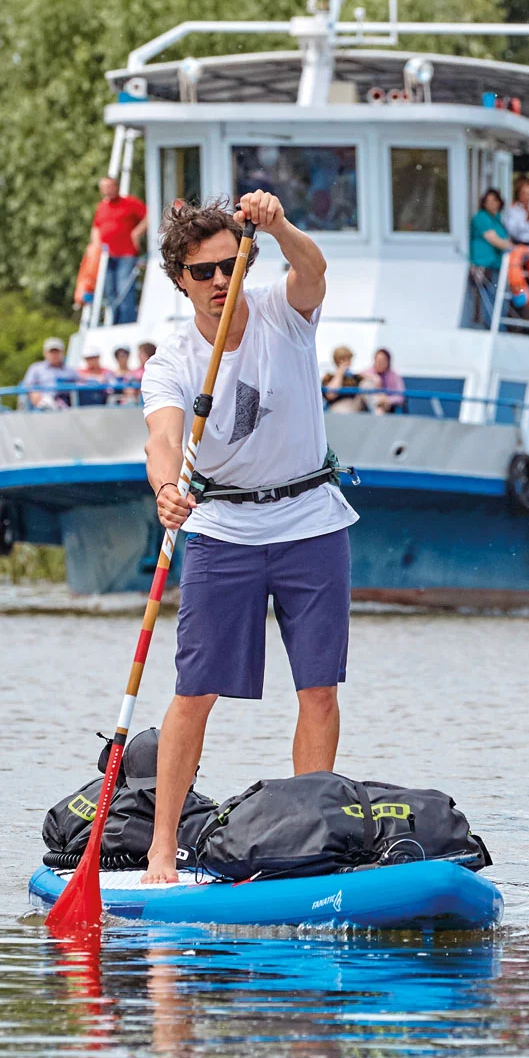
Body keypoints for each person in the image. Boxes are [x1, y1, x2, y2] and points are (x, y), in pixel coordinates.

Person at [139, 192, 356, 885]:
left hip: (310, 522)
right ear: (180, 279)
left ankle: (313, 839)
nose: (219, 283)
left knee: (318, 690)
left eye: (230, 267)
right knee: (194, 692)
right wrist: (167, 488)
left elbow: (315, 270)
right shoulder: (171, 359)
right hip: (220, 528)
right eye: (203, 273)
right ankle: (161, 849)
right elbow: (163, 436)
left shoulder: (281, 312)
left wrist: (281, 224)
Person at [89, 176, 147, 325]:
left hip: (126, 254)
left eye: (110, 186)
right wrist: (96, 245)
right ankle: (114, 323)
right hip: (107, 256)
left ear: (116, 187)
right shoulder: (101, 206)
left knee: (124, 291)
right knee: (110, 292)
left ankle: (127, 323)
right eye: (104, 187)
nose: (107, 190)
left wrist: (137, 233)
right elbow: (96, 227)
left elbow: (149, 215)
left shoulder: (129, 203)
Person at [465, 187, 509, 328]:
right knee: (489, 301)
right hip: (484, 265)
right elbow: (495, 240)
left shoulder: (496, 219)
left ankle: (497, 327)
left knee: (497, 299)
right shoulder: (481, 217)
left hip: (496, 265)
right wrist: (516, 247)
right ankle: (491, 329)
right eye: (488, 201)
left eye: (494, 200)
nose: (491, 204)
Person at [320, 344, 376, 412]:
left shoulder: (356, 377)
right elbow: (331, 395)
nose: (348, 362)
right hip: (339, 406)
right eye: (343, 360)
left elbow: (374, 383)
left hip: (356, 404)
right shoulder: (328, 377)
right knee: (342, 410)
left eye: (349, 359)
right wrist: (339, 373)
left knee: (367, 384)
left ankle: (377, 410)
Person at [22, 337, 69, 409]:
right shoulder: (36, 368)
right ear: (45, 353)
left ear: (63, 353)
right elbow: (28, 386)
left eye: (57, 352)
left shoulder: (70, 370)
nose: (54, 355)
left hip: (66, 404)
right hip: (43, 405)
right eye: (51, 352)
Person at [370, 348, 404, 414]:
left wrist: (387, 400)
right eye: (377, 360)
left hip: (387, 407)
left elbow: (400, 397)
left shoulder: (394, 376)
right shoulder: (369, 372)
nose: (379, 363)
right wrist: (374, 378)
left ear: (388, 362)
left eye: (382, 361)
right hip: (372, 405)